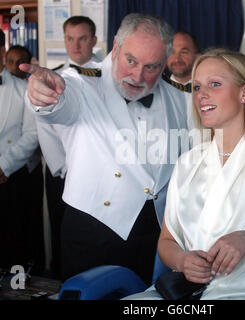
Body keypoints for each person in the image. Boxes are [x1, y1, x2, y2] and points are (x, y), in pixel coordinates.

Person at [124, 48, 245, 300]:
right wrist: (182, 260)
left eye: (214, 84)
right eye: (197, 87)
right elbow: (167, 242)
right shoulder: (186, 164)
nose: (202, 95)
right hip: (181, 293)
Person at [21, 13, 188, 285]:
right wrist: (44, 97)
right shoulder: (81, 82)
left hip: (158, 232)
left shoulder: (177, 95)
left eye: (151, 67)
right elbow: (60, 102)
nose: (138, 76)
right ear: (115, 47)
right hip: (94, 228)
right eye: (130, 61)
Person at [37, 16, 101, 279]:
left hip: (101, 173)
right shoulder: (53, 78)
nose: (76, 45)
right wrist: (63, 168)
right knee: (65, 234)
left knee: (99, 237)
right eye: (70, 38)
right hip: (64, 172)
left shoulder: (110, 76)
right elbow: (45, 128)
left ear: (94, 41)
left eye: (83, 38)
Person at [0, 29, 41, 272]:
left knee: (11, 242)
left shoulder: (23, 88)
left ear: (2, 52)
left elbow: (32, 134)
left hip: (9, 176)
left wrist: (3, 166)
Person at [166, 31, 201, 131]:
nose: (177, 59)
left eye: (184, 52)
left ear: (197, 56)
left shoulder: (211, 92)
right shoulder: (155, 92)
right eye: (172, 52)